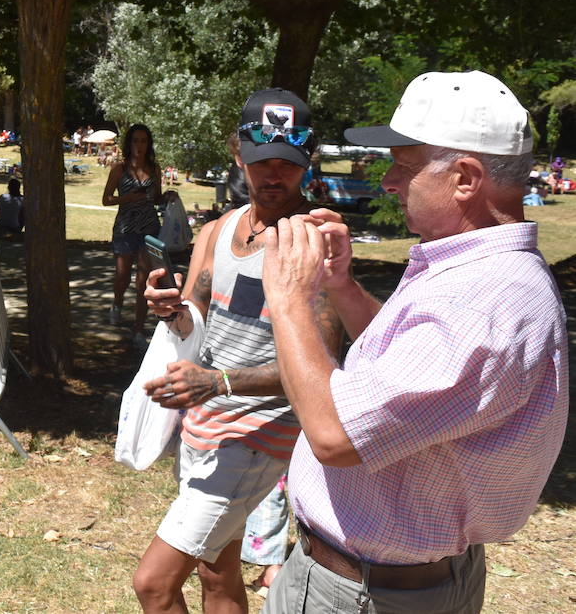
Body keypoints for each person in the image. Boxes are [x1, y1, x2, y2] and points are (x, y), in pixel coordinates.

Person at [260, 71, 568, 614]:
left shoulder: (481, 301)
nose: (388, 183)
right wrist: (342, 286)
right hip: (391, 582)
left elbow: (335, 435)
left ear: (466, 179)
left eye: (403, 166)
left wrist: (288, 295)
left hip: (362, 595)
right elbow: (410, 365)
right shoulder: (482, 276)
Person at [133, 88, 341, 614]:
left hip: (255, 435)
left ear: (306, 163)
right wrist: (170, 308)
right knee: (215, 569)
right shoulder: (219, 229)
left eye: (287, 165)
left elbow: (321, 365)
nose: (273, 176)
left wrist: (218, 381)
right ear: (236, 155)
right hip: (201, 423)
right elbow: (198, 314)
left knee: (154, 585)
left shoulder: (311, 241)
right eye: (260, 162)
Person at [102, 123, 162, 345]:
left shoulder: (155, 169)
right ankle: (117, 304)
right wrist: (127, 199)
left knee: (143, 281)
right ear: (129, 144)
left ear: (149, 144)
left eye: (143, 141)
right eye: (135, 141)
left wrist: (167, 197)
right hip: (125, 228)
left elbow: (156, 198)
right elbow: (106, 199)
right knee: (123, 276)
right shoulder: (120, 168)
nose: (140, 145)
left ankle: (138, 330)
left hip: (148, 228)